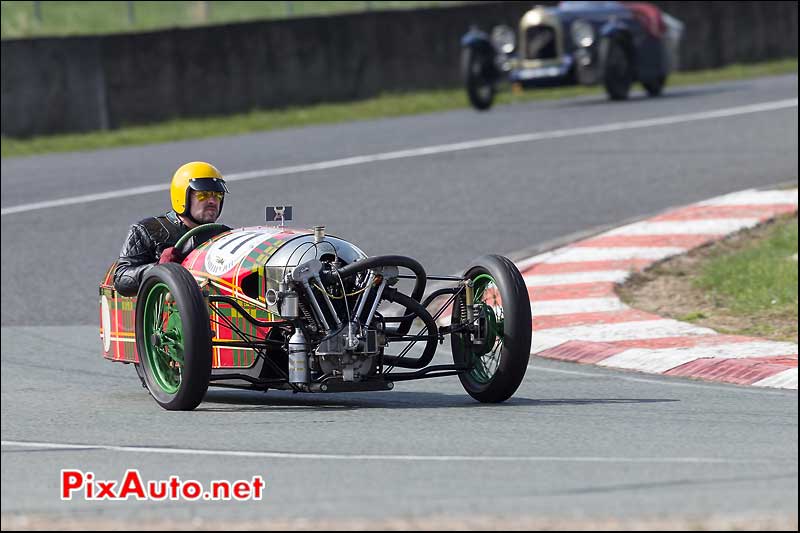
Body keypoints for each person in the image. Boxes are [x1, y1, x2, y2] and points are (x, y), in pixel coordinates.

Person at [113, 161, 230, 297]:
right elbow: (121, 280)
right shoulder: (147, 230)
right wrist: (161, 269)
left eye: (218, 195)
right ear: (182, 196)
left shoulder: (224, 235)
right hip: (164, 313)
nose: (212, 201)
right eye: (203, 194)